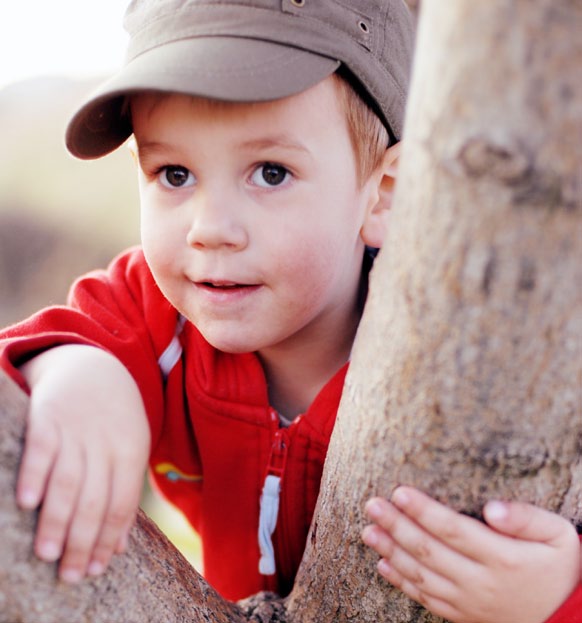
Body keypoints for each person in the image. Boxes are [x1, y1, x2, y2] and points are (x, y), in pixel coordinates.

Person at [0, 1, 580, 621]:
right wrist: (80, 375)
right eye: (174, 174)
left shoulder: (470, 349)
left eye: (270, 172)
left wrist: (560, 592)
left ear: (384, 195)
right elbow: (60, 338)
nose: (210, 228)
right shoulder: (156, 313)